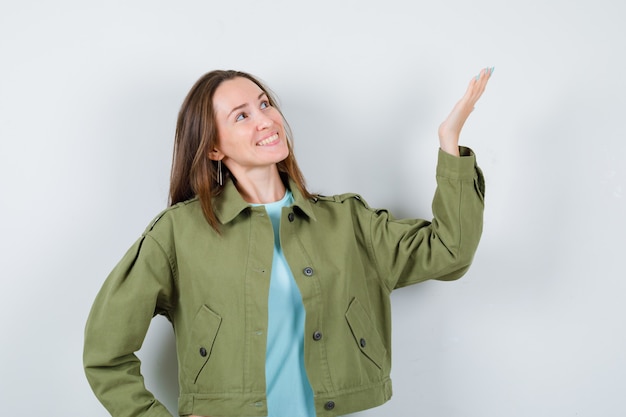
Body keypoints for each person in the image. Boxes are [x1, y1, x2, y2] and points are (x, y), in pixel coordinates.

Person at [83, 67, 493, 417]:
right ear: (211, 147)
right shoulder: (178, 233)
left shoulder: (348, 221)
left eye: (264, 104)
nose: (265, 120)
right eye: (241, 116)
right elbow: (106, 355)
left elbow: (451, 252)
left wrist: (449, 142)